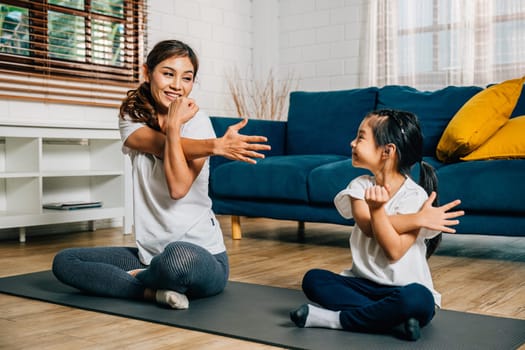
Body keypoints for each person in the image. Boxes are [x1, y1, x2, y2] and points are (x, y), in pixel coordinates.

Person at [52, 39, 270, 309]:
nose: (177, 85)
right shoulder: (131, 116)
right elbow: (162, 145)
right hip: (149, 255)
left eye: (187, 78)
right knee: (66, 262)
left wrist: (182, 129)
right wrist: (211, 144)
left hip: (201, 257)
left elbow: (177, 188)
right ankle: (153, 292)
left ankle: (140, 280)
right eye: (168, 73)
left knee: (177, 257)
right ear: (147, 72)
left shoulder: (200, 122)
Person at [289, 109, 464, 340]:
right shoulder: (359, 186)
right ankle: (391, 321)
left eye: (360, 137)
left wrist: (381, 211)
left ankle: (334, 320)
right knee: (313, 279)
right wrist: (417, 219)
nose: (352, 142)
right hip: (362, 285)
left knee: (418, 299)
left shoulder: (415, 197)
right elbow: (368, 227)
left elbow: (393, 250)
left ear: (387, 151)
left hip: (403, 290)